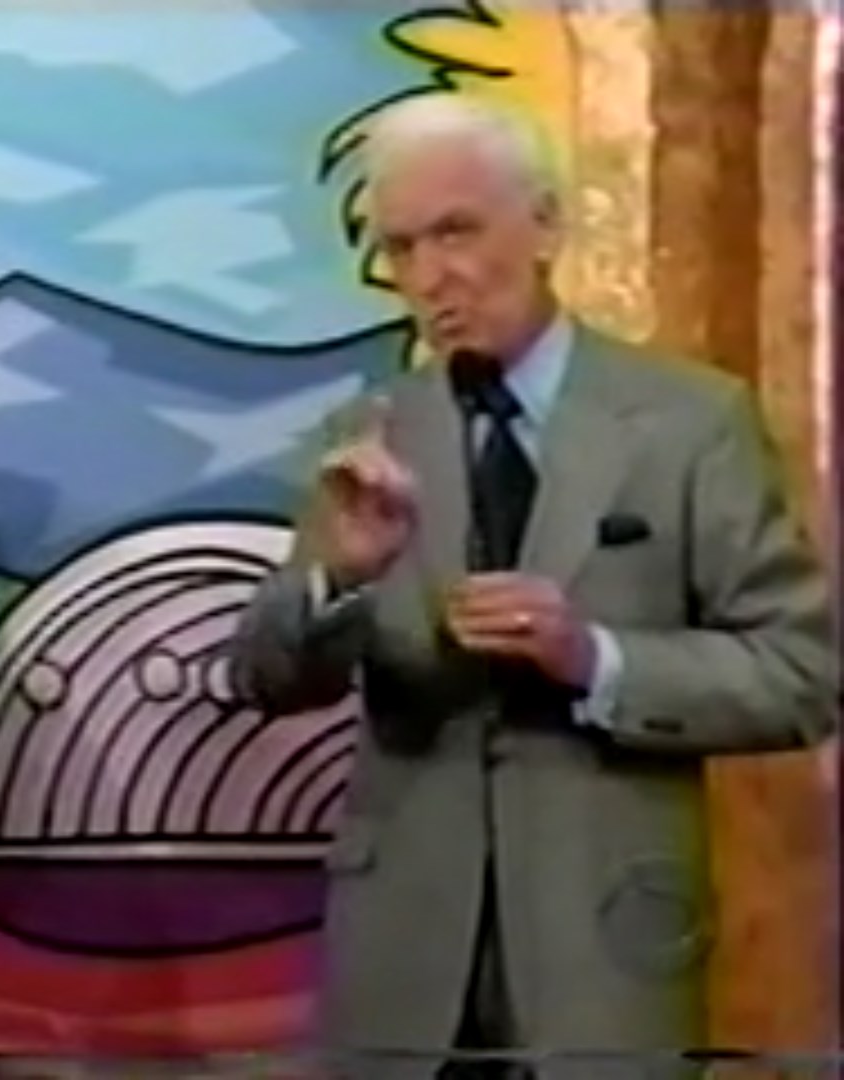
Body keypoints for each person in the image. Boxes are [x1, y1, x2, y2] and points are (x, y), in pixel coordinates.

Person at [227, 94, 837, 1078]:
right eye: (402, 249)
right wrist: (337, 574)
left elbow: (800, 675)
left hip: (604, 948)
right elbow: (262, 676)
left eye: (457, 232)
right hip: (405, 963)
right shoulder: (372, 437)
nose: (433, 277)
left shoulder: (690, 424)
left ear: (546, 223)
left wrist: (591, 657)